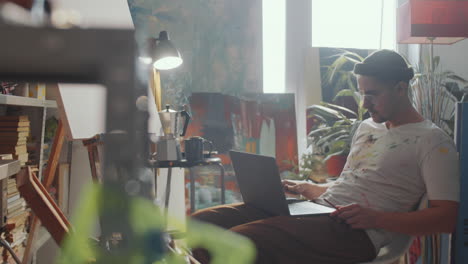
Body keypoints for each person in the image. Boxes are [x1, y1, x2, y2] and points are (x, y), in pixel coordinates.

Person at [191, 50, 460, 264]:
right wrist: (312, 189)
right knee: (201, 224)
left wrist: (376, 219)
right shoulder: (368, 127)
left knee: (242, 241)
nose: (364, 104)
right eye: (362, 93)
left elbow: (446, 218)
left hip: (356, 233)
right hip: (321, 210)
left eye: (372, 94)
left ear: (401, 88)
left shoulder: (432, 141)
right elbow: (354, 182)